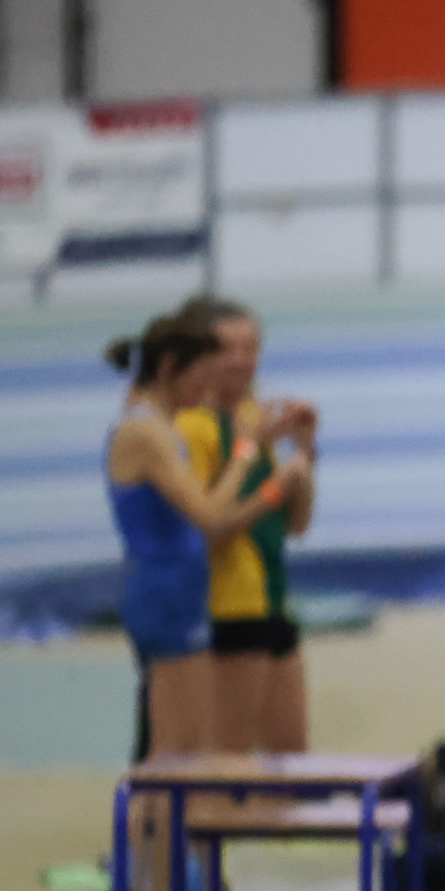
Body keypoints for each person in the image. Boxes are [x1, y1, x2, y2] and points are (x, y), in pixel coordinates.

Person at [103, 312, 288, 891]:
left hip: (183, 596)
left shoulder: (161, 424)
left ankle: (169, 878)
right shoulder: (144, 433)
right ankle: (143, 885)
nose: (207, 393)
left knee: (189, 753)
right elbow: (207, 515)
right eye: (200, 379)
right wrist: (248, 452)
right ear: (169, 369)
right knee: (169, 757)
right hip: (163, 599)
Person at [175, 296, 317, 753]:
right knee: (228, 759)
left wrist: (304, 456)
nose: (241, 360)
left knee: (291, 759)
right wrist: (274, 488)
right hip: (227, 607)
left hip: (273, 600)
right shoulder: (192, 429)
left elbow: (295, 526)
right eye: (228, 349)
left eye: (251, 348)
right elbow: (209, 529)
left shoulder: (255, 420)